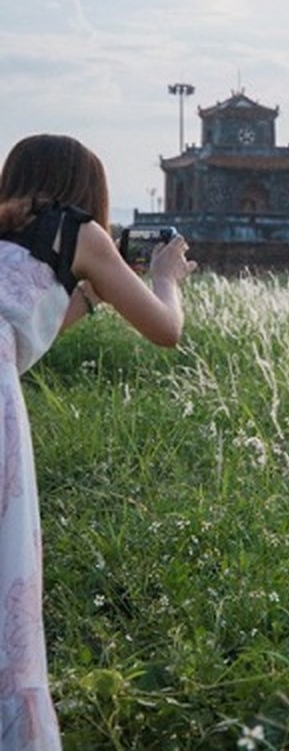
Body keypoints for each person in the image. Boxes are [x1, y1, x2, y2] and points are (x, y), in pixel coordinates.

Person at [0, 134, 196, 750]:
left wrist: (93, 292)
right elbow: (166, 330)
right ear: (86, 190)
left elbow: (24, 320)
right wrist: (165, 277)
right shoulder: (79, 231)